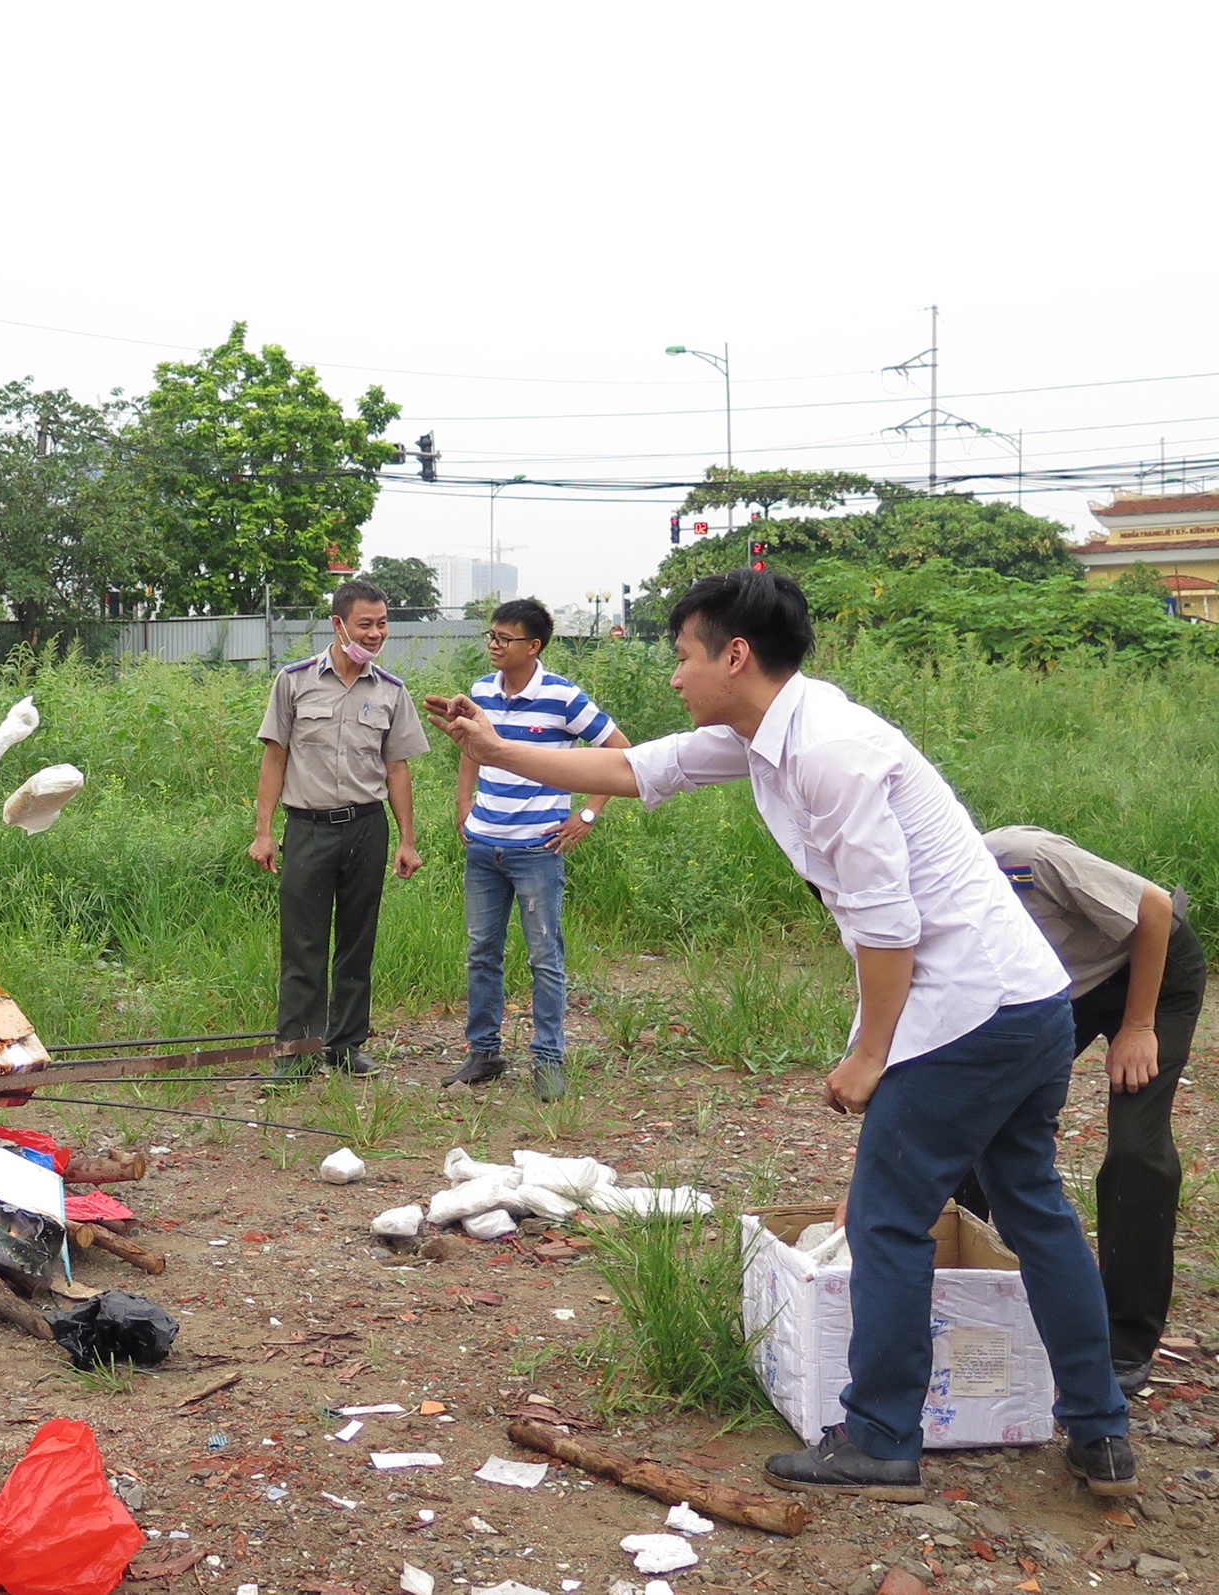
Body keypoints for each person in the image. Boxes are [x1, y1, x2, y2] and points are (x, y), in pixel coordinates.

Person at [422, 569, 1135, 1501]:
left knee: (886, 1218)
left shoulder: (829, 750)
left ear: (735, 654)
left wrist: (870, 1056)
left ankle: (882, 1435)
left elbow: (888, 927)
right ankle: (1101, 1428)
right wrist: (491, 742)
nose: (673, 675)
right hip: (1025, 1001)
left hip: (965, 1010)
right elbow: (631, 770)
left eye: (681, 654)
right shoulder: (766, 733)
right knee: (1034, 1208)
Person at [957, 827, 1207, 1393]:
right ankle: (968, 1292)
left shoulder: (1023, 860)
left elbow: (1154, 909)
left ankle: (1124, 1338)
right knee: (970, 1126)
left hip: (1149, 968)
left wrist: (1138, 1027)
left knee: (1136, 1149)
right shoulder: (921, 903)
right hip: (1054, 994)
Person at [444, 597, 632, 1101]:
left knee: (544, 956)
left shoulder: (563, 698)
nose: (493, 645)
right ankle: (484, 1051)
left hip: (537, 848)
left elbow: (623, 753)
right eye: (491, 635)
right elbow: (470, 747)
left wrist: (588, 813)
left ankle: (548, 1058)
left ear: (534, 646)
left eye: (504, 638)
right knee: (482, 951)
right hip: (484, 844)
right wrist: (464, 801)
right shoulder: (482, 691)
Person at [252, 579, 427, 1079]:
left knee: (357, 941)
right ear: (339, 624)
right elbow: (275, 756)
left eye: (382, 624)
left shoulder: (391, 691)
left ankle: (345, 1045)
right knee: (302, 944)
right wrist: (264, 832)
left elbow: (397, 770)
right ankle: (298, 1053)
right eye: (365, 624)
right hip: (307, 828)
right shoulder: (295, 680)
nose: (375, 634)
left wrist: (407, 840)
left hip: (366, 829)